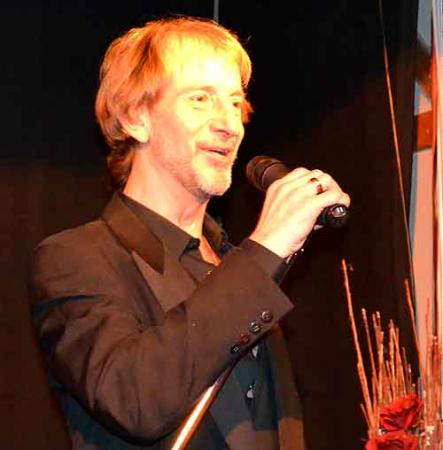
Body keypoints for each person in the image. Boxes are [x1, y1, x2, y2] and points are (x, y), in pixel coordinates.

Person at [29, 15, 350, 450]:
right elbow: (134, 400)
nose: (229, 124)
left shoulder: (233, 262)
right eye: (200, 99)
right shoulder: (76, 259)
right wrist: (266, 249)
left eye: (235, 103)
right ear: (135, 118)